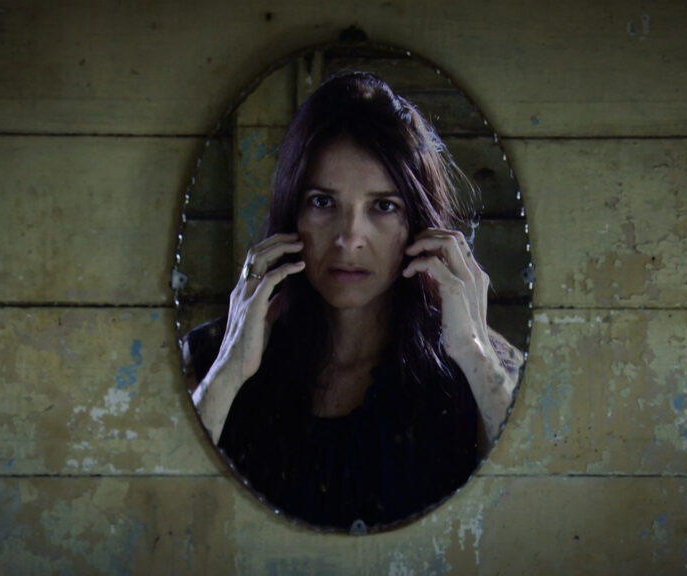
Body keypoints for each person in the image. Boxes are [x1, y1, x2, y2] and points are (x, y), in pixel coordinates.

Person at [183, 72, 523, 531]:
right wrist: (228, 375)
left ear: (419, 224)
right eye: (323, 202)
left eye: (384, 206)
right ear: (291, 211)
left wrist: (473, 352)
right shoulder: (211, 357)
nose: (349, 240)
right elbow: (157, 521)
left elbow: (535, 519)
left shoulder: (484, 369)